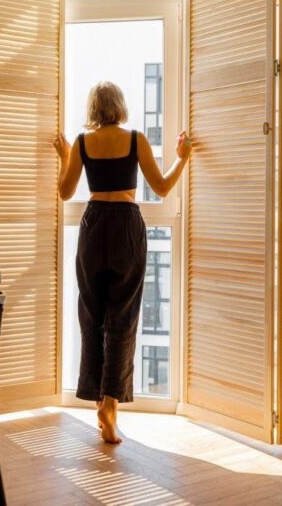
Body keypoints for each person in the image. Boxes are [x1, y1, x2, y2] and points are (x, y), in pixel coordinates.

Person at [52, 81, 192, 444]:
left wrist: (68, 155)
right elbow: (160, 187)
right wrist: (182, 157)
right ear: (120, 105)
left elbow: (66, 192)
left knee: (92, 315)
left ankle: (99, 397)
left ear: (93, 108)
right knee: (122, 318)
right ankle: (110, 405)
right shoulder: (136, 139)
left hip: (94, 224)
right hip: (127, 226)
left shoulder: (83, 143)